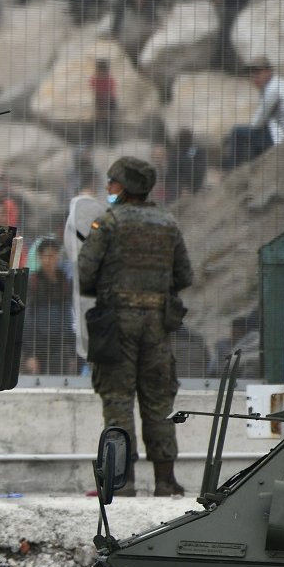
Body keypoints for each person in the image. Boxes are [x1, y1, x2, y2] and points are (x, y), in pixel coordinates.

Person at [78, 156, 194, 497]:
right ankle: (165, 479)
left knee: (118, 399)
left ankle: (122, 480)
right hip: (158, 324)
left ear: (124, 188)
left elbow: (85, 272)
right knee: (158, 400)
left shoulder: (108, 223)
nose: (107, 188)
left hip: (116, 324)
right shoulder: (168, 224)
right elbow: (185, 276)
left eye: (112, 183)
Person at [223, 59, 284, 169]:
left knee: (237, 132)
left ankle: (233, 171)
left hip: (283, 136)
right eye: (252, 74)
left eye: (257, 73)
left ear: (269, 72)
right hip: (280, 132)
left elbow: (257, 123)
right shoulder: (276, 84)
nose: (254, 77)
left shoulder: (273, 88)